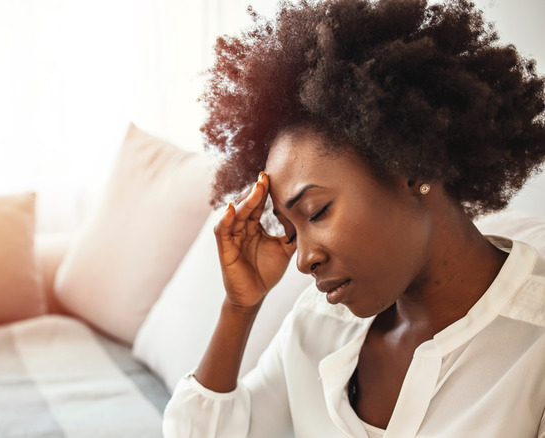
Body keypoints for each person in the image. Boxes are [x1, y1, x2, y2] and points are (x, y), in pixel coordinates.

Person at [162, 0, 545, 437]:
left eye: (316, 212)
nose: (303, 260)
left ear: (410, 164)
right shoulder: (320, 322)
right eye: (289, 230)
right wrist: (239, 308)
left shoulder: (534, 352)